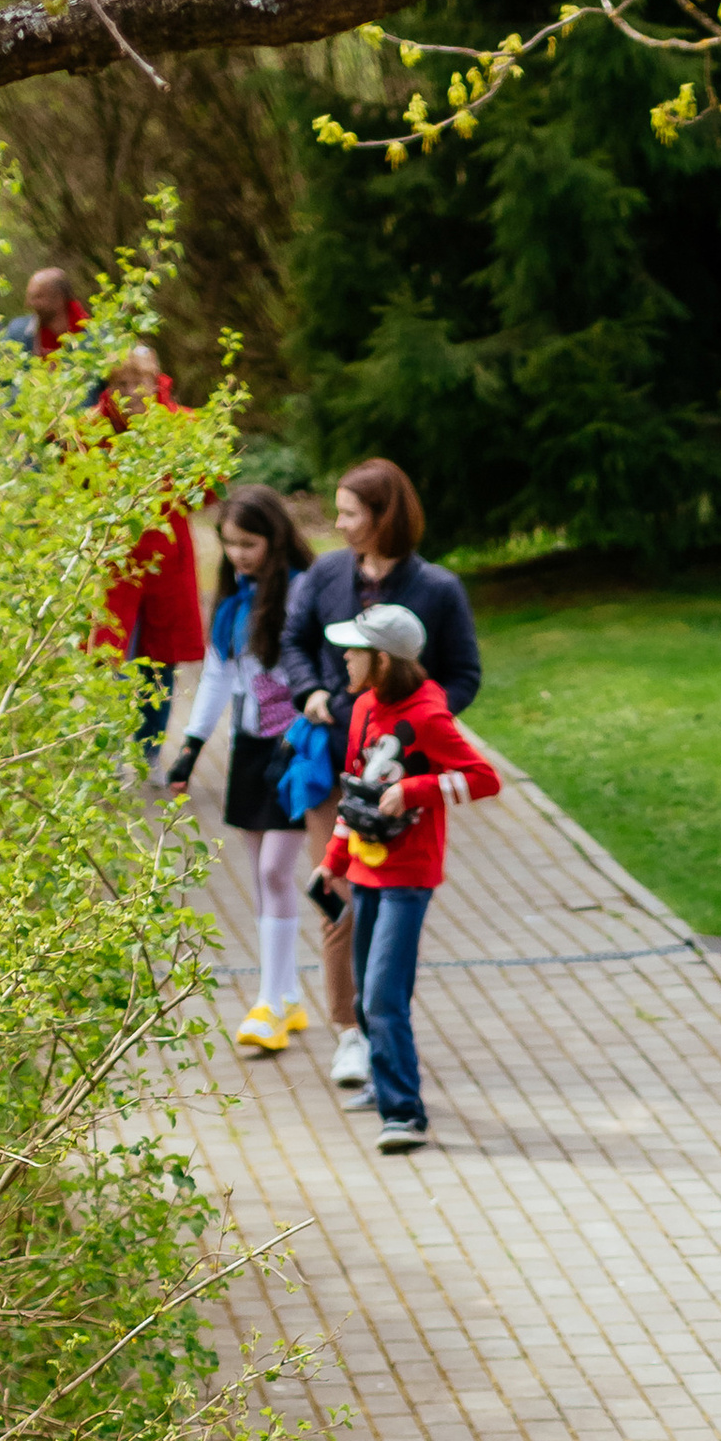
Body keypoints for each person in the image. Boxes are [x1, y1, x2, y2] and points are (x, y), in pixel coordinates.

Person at [283, 461, 484, 1093]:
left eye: (348, 513)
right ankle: (350, 1033)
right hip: (334, 767)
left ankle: (383, 1030)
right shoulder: (325, 574)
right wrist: (311, 690)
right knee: (336, 890)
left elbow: (462, 674)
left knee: (390, 901)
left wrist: (417, 726)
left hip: (399, 783)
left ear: (384, 517)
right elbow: (294, 641)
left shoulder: (438, 589)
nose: (338, 524)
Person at [317, 601, 500, 1157]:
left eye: (354, 650)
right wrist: (334, 857)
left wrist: (418, 790)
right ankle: (381, 1083)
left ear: (383, 660)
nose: (344, 658)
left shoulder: (427, 714)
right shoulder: (363, 708)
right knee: (370, 998)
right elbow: (356, 791)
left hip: (409, 875)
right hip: (368, 871)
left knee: (383, 994)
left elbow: (483, 778)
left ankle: (404, 1114)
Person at [166, 484, 314, 1055]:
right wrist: (191, 748)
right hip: (252, 752)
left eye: (249, 544)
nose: (238, 556)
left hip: (300, 749)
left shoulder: (305, 595)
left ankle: (269, 1005)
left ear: (275, 539)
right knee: (261, 877)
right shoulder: (230, 607)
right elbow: (216, 680)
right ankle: (289, 993)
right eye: (229, 545)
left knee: (277, 871)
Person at [94, 346, 205, 773]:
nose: (129, 393)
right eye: (119, 383)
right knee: (110, 661)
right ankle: (107, 752)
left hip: (165, 562)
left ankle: (149, 752)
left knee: (160, 663)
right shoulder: (90, 430)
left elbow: (205, 491)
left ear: (155, 381)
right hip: (112, 563)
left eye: (137, 382)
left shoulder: (185, 427)